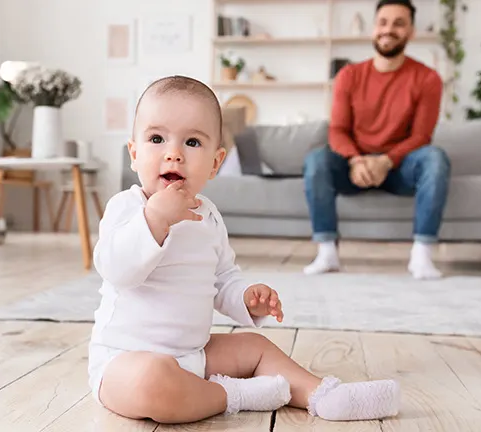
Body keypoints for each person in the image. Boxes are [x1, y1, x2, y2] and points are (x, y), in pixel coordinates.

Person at [87, 75, 400, 424]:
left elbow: (222, 280)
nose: (173, 153)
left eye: (192, 141)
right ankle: (234, 395)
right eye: (157, 138)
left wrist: (246, 297)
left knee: (254, 346)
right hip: (124, 361)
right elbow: (116, 269)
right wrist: (155, 220)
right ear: (134, 153)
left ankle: (323, 395)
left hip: (194, 355)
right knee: (152, 383)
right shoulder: (126, 208)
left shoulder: (208, 217)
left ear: (216, 163)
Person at [303, 0, 451, 280]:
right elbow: (338, 129)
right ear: (373, 29)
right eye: (383, 22)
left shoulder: (428, 78)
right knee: (316, 159)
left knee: (435, 158)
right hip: (354, 168)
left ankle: (421, 256)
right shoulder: (349, 75)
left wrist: (385, 161)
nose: (389, 30)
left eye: (399, 23)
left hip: (400, 169)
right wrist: (356, 160)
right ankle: (327, 252)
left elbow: (421, 136)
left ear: (411, 32)